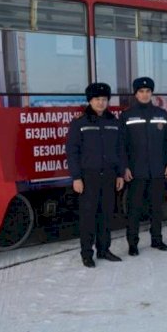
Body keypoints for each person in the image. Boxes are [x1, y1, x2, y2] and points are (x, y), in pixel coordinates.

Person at [66, 82, 125, 268]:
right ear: (90, 101)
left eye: (104, 99)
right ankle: (87, 253)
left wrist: (120, 174)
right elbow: (72, 152)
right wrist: (76, 177)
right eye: (97, 99)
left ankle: (104, 249)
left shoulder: (114, 123)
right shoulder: (79, 123)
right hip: (87, 177)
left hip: (109, 175)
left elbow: (121, 150)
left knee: (106, 214)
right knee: (88, 216)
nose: (100, 103)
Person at [120, 77, 167, 255]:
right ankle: (133, 243)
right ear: (136, 94)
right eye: (141, 91)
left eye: (147, 91)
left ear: (152, 93)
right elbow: (121, 146)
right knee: (134, 209)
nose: (144, 94)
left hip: (158, 170)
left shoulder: (162, 114)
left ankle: (157, 240)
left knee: (156, 208)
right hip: (136, 171)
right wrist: (125, 167)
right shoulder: (127, 116)